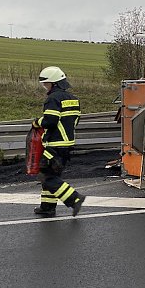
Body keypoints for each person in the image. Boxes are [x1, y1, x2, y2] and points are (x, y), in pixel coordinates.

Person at [33, 66, 86, 217]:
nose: (45, 87)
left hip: (55, 145)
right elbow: (75, 120)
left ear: (54, 83)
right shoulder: (73, 99)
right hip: (67, 144)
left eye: (46, 84)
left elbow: (50, 121)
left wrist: (37, 122)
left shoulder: (53, 98)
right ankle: (47, 207)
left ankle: (74, 199)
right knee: (52, 175)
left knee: (46, 176)